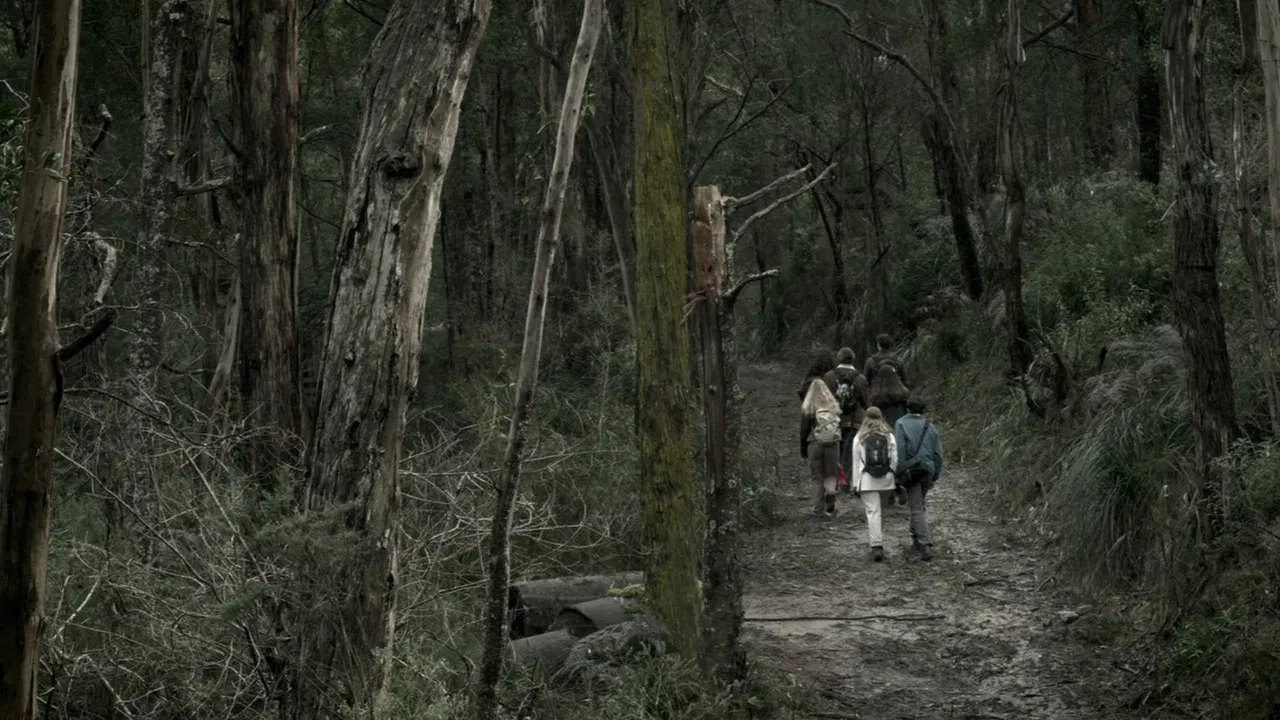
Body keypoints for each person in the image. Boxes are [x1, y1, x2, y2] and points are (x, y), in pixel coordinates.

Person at [894, 393, 943, 561]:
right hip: (928, 470)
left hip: (912, 471)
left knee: (916, 507)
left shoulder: (900, 424)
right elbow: (938, 454)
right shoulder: (930, 426)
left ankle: (924, 543)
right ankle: (915, 537)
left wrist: (898, 474)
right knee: (919, 504)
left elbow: (899, 450)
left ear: (907, 408)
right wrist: (935, 474)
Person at [850, 406, 898, 561]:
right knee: (881, 511)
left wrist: (855, 484)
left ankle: (876, 545)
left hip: (867, 480)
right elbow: (894, 459)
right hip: (887, 480)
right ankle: (879, 539)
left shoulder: (859, 437)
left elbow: (856, 463)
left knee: (873, 512)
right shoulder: (889, 436)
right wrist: (892, 474)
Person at [800, 376, 844, 517]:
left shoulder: (808, 407)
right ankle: (830, 502)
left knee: (817, 478)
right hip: (833, 444)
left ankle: (818, 509)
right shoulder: (833, 406)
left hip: (814, 444)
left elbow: (803, 431)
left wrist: (803, 450)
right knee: (831, 474)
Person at [828, 347, 868, 489]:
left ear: (839, 358)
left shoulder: (829, 376)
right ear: (853, 359)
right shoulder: (860, 378)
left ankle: (833, 481)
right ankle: (846, 481)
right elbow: (865, 402)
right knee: (850, 451)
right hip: (854, 420)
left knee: (833, 451)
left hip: (833, 419)